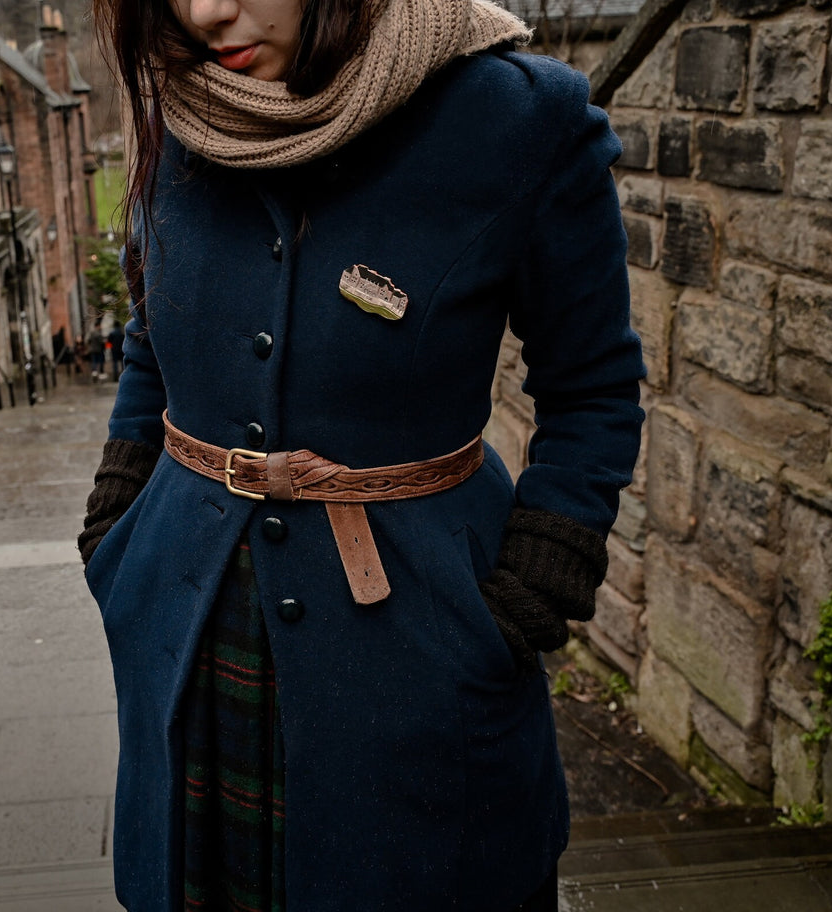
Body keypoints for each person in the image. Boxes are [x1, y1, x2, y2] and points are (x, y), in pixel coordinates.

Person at [79, 0, 646, 909]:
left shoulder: (515, 119)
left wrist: (539, 580)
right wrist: (116, 516)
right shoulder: (179, 103)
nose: (206, 12)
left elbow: (592, 386)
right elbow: (153, 336)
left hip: (421, 645)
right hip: (184, 622)